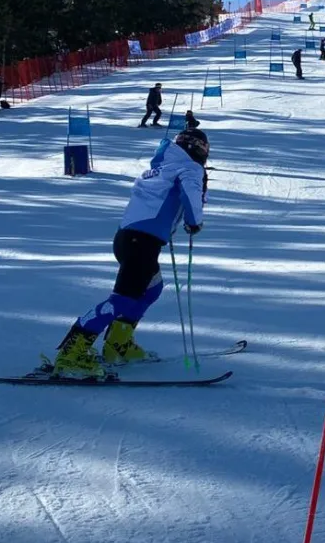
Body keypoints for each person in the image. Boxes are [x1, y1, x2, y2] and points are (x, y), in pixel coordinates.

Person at [48, 127, 209, 377]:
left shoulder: (165, 163)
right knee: (122, 299)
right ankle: (72, 353)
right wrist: (194, 221)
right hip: (141, 243)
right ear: (200, 150)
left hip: (129, 239)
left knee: (151, 289)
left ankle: (117, 344)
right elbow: (190, 191)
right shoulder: (190, 167)